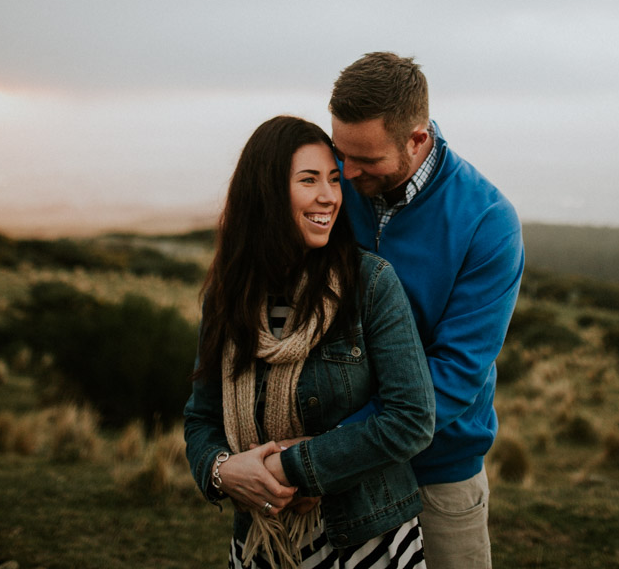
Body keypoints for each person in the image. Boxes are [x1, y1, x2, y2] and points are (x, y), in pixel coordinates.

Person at [184, 115, 435, 569]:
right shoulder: (229, 294)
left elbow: (412, 419)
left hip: (364, 538)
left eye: (334, 180)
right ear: (266, 192)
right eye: (309, 180)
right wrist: (223, 471)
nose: (329, 196)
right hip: (262, 544)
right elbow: (202, 417)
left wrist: (292, 468)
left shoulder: (369, 284)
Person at [329, 53, 524, 569]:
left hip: (437, 474)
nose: (346, 173)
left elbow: (455, 376)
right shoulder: (337, 178)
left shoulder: (487, 221)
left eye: (365, 160)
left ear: (417, 139)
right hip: (326, 458)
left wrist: (333, 452)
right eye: (340, 152)